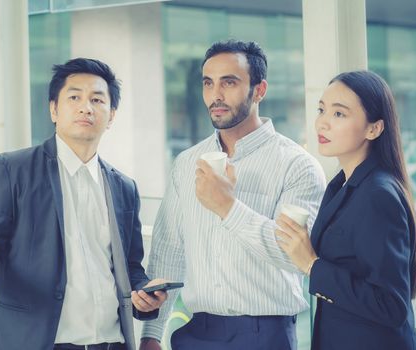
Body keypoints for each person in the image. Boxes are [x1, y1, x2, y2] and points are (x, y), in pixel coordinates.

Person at [0, 58, 168, 350]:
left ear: (111, 116)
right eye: (75, 97)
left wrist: (146, 295)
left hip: (111, 343)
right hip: (37, 342)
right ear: (54, 109)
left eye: (97, 99)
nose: (86, 107)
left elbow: (131, 267)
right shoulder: (9, 170)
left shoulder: (124, 187)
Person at [140, 40, 326, 350]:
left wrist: (227, 207)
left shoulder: (297, 166)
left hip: (264, 335)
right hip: (194, 332)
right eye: (208, 83)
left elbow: (293, 257)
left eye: (229, 82)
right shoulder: (187, 163)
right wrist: (151, 334)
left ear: (259, 90)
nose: (216, 95)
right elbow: (168, 252)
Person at [275, 70, 416, 350]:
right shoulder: (342, 185)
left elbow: (391, 305)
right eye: (322, 110)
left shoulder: (378, 194)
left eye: (339, 114)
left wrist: (311, 264)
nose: (322, 123)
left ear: (374, 129)